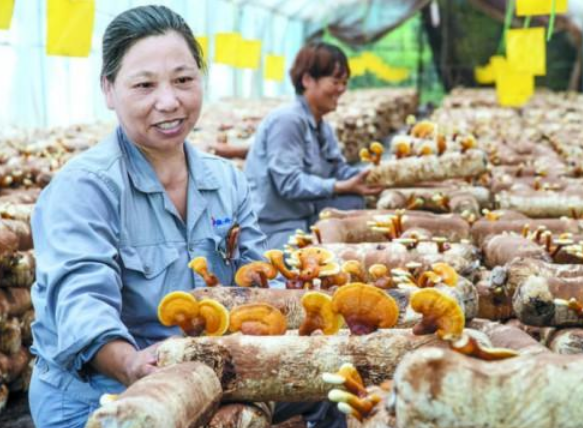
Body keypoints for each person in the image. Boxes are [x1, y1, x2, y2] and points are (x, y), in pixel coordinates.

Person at [28, 6, 346, 428]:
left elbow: (255, 276)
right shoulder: (84, 189)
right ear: (108, 90)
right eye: (144, 85)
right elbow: (81, 303)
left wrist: (306, 301)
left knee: (334, 394)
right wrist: (131, 364)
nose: (169, 101)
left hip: (207, 376)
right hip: (102, 395)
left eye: (183, 80)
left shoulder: (224, 181)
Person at [244, 42, 384, 250]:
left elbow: (338, 169)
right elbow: (289, 182)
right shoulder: (288, 121)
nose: (341, 89)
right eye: (335, 81)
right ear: (308, 80)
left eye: (345, 82)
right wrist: (338, 186)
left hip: (306, 219)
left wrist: (378, 176)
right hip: (277, 230)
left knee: (354, 202)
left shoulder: (322, 127)